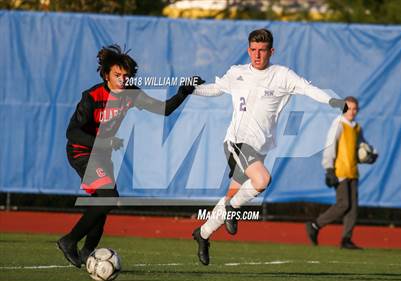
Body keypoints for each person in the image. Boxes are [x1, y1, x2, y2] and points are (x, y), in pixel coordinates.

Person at [191, 28, 348, 265]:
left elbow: (308, 88)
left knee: (231, 196)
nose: (257, 55)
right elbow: (215, 89)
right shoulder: (237, 72)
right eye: (253, 50)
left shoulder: (282, 75)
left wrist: (332, 100)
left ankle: (202, 234)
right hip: (236, 142)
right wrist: (191, 88)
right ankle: (232, 210)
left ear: (271, 51)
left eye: (262, 50)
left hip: (259, 148)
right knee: (262, 180)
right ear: (248, 50)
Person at [58, 44, 202, 268]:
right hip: (81, 151)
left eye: (126, 75)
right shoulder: (91, 96)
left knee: (102, 203)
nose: (123, 79)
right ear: (106, 74)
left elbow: (163, 109)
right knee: (108, 197)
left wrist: (184, 92)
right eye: (117, 75)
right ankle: (69, 241)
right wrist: (103, 142)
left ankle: (87, 252)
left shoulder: (130, 93)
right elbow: (72, 132)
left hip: (101, 154)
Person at [306, 96, 377, 250]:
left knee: (353, 208)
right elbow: (329, 146)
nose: (351, 111)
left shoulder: (357, 127)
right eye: (348, 108)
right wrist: (329, 169)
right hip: (340, 171)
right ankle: (315, 225)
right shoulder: (339, 124)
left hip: (353, 171)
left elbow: (361, 148)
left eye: (354, 108)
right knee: (343, 204)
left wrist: (370, 156)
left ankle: (346, 239)